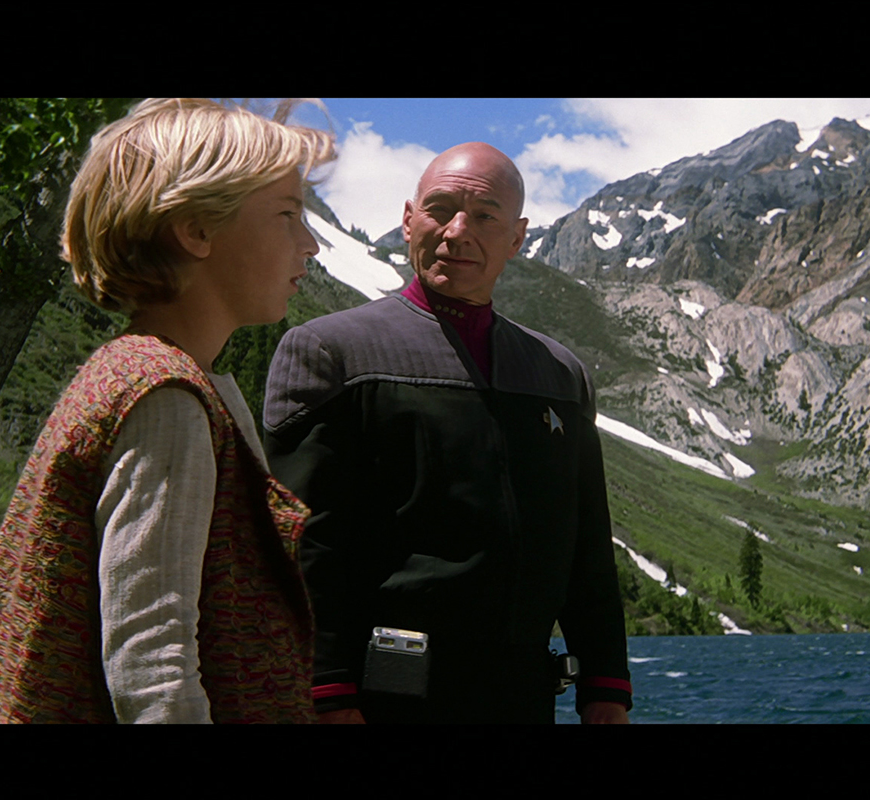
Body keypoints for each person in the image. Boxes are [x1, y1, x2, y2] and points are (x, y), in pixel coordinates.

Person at [0, 98, 327, 724]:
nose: (309, 243)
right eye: (287, 215)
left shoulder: (138, 373)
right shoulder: (165, 398)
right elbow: (153, 670)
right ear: (196, 229)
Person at [262, 142, 631, 724]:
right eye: (440, 209)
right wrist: (329, 693)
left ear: (517, 238)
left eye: (485, 216)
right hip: (383, 698)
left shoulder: (560, 375)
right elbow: (306, 546)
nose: (458, 231)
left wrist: (606, 690)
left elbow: (586, 552)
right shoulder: (331, 352)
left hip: (524, 699)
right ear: (409, 220)